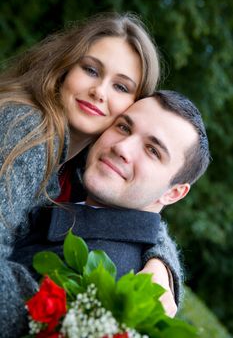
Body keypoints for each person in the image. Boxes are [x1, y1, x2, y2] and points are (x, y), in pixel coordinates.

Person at [0, 12, 179, 338]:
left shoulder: (80, 162)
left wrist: (162, 265)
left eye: (121, 86)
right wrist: (65, 311)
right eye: (91, 70)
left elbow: (147, 210)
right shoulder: (26, 129)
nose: (99, 91)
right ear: (65, 67)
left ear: (135, 106)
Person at [11, 90, 210, 332]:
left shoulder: (101, 285)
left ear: (173, 193)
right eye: (124, 127)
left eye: (153, 151)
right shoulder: (64, 172)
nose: (122, 148)